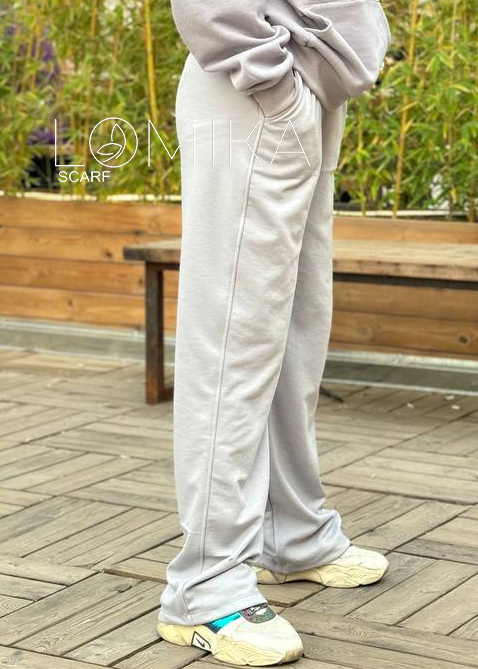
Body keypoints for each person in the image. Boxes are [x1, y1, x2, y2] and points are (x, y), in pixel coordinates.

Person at [157, 0, 392, 665]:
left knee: (295, 332)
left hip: (302, 85)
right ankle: (206, 585)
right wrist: (272, 84)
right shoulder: (264, 80)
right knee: (233, 339)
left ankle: (294, 532)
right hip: (257, 85)